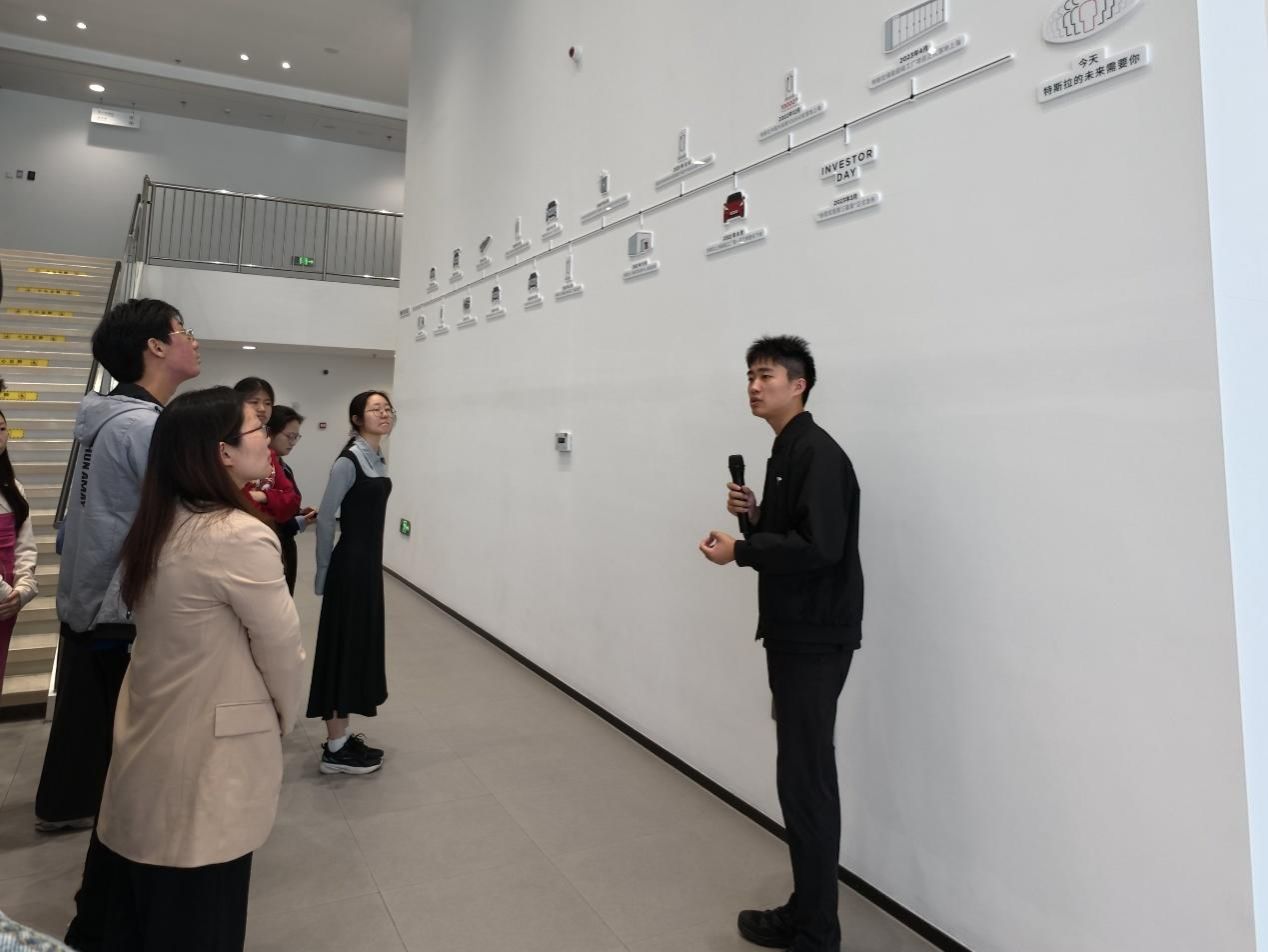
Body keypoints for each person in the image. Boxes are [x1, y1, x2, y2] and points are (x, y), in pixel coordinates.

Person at [95, 386, 304, 951]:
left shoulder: (163, 518)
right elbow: (281, 648)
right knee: (202, 913)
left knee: (158, 907)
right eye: (256, 428)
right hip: (210, 754)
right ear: (223, 452)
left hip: (154, 737)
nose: (267, 438)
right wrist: (285, 717)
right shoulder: (237, 534)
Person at [698, 335, 864, 952]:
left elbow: (821, 548)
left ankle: (816, 932)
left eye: (766, 375)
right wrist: (754, 516)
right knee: (799, 777)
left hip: (815, 637)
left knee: (807, 780)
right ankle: (807, 912)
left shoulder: (817, 453)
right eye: (749, 376)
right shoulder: (787, 450)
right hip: (798, 632)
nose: (753, 385)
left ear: (799, 385)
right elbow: (795, 534)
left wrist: (742, 548)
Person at [36, 299, 200, 835]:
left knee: (86, 714)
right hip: (119, 598)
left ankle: (69, 803)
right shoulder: (142, 427)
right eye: (183, 331)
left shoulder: (107, 418)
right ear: (155, 347)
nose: (192, 340)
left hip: (91, 589)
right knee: (116, 718)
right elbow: (180, 514)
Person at [307, 391, 394, 774]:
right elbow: (327, 517)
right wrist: (323, 570)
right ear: (357, 418)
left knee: (357, 646)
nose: (384, 413)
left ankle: (340, 739)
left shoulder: (376, 457)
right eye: (375, 409)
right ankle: (334, 749)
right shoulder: (348, 461)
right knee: (341, 648)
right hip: (350, 567)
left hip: (367, 567)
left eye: (387, 408)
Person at [0, 409, 39, 684]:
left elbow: (25, 548)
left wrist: (22, 591)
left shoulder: (13, 489)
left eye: (2, 429)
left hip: (5, 608)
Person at [266, 405, 317, 594]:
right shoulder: (263, 470)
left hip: (285, 544)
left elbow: (282, 504)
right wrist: (298, 522)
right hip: (272, 545)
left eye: (296, 437)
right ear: (269, 432)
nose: (293, 442)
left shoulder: (282, 465)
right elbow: (267, 514)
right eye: (289, 436)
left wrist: (299, 513)